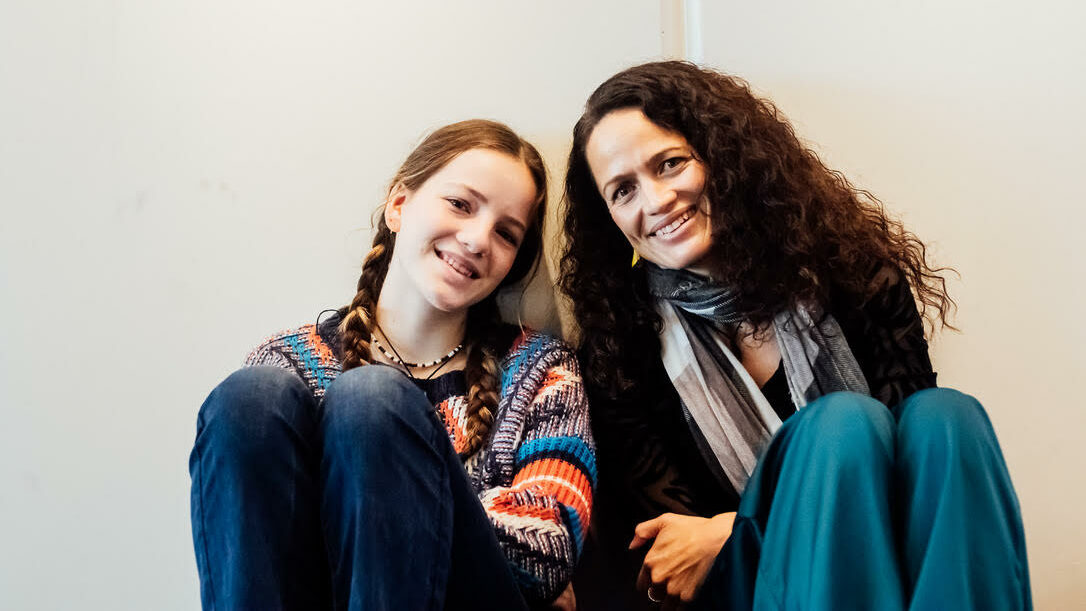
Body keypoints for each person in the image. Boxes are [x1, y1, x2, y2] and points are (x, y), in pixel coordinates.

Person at [560, 62, 1030, 610]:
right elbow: (674, 553)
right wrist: (749, 532)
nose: (656, 201)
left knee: (947, 420)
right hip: (742, 592)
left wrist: (734, 526)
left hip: (888, 563)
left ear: (725, 158)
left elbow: (908, 475)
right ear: (610, 219)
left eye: (670, 164)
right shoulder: (621, 344)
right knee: (842, 424)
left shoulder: (856, 278)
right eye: (622, 191)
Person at [189, 119, 594, 610]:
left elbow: (545, 550)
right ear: (399, 205)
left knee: (372, 400)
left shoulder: (541, 369)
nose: (477, 239)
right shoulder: (287, 363)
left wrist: (366, 508)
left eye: (506, 234)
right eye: (461, 204)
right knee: (248, 400)